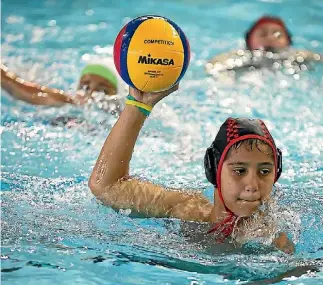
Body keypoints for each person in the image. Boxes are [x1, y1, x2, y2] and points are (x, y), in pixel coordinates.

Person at [88, 85, 295, 254]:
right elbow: (106, 186)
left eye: (265, 172)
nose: (252, 185)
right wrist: (138, 106)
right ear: (213, 170)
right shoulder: (185, 210)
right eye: (239, 171)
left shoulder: (274, 241)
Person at [206, 15, 323, 75]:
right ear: (249, 42)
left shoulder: (298, 55)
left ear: (288, 42)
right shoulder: (241, 55)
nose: (270, 38)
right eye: (263, 34)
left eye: (277, 34)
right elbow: (213, 66)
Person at [1, 61, 119, 107]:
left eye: (102, 90)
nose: (91, 94)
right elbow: (16, 87)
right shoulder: (66, 103)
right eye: (85, 87)